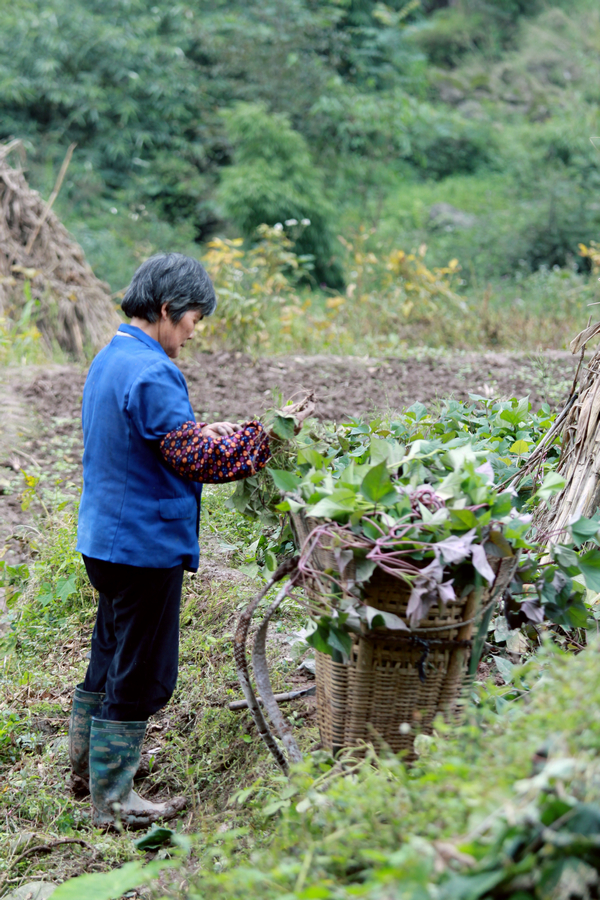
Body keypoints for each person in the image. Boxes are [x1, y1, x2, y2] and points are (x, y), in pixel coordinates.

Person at [69, 252, 312, 829]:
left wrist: (207, 430)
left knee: (109, 652)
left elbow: (156, 438)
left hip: (105, 539)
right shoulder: (155, 371)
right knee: (140, 668)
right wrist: (267, 436)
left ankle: (85, 770)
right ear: (166, 310)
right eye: (193, 321)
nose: (192, 334)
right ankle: (114, 799)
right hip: (143, 544)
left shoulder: (112, 358)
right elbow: (195, 458)